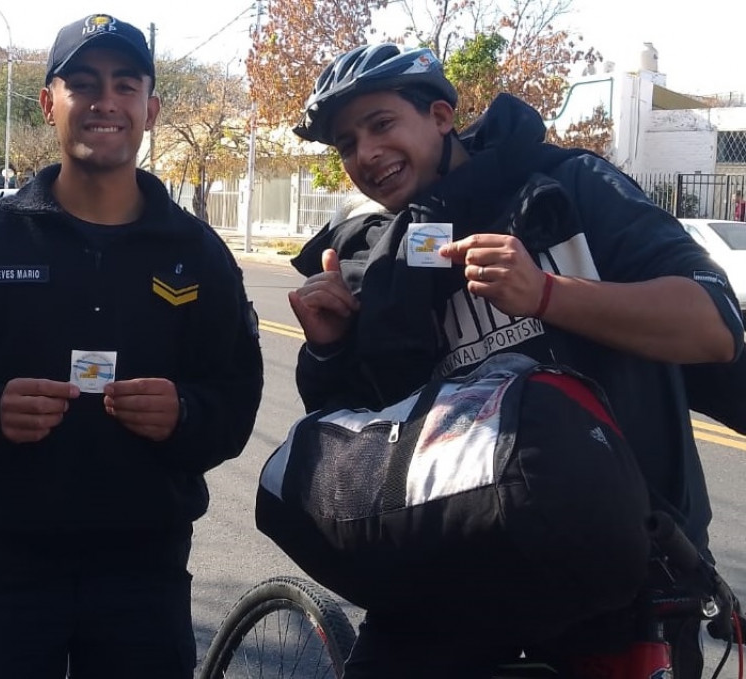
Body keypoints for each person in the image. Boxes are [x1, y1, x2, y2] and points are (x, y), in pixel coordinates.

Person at [286, 44, 743, 678]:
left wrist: (547, 295)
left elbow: (714, 327)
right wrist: (329, 345)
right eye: (346, 143)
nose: (364, 154)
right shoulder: (381, 260)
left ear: (442, 116)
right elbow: (369, 440)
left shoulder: (571, 187)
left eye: (382, 124)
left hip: (624, 568)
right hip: (457, 567)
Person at [0, 13, 263, 679]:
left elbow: (235, 399)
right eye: (84, 84)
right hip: (2, 570)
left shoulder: (199, 255)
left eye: (126, 85)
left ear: (150, 109)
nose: (105, 102)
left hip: (144, 574)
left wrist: (184, 413)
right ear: (49, 103)